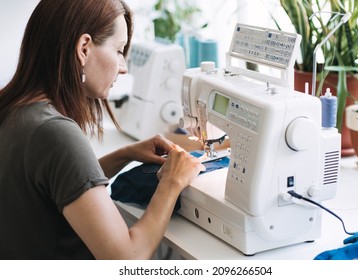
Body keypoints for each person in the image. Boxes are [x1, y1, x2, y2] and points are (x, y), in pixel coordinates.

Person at [0, 0, 205, 260]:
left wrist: (124, 154)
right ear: (84, 48)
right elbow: (126, 259)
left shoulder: (14, 109)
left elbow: (54, 183)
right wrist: (172, 181)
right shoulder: (53, 133)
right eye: (119, 50)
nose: (123, 66)